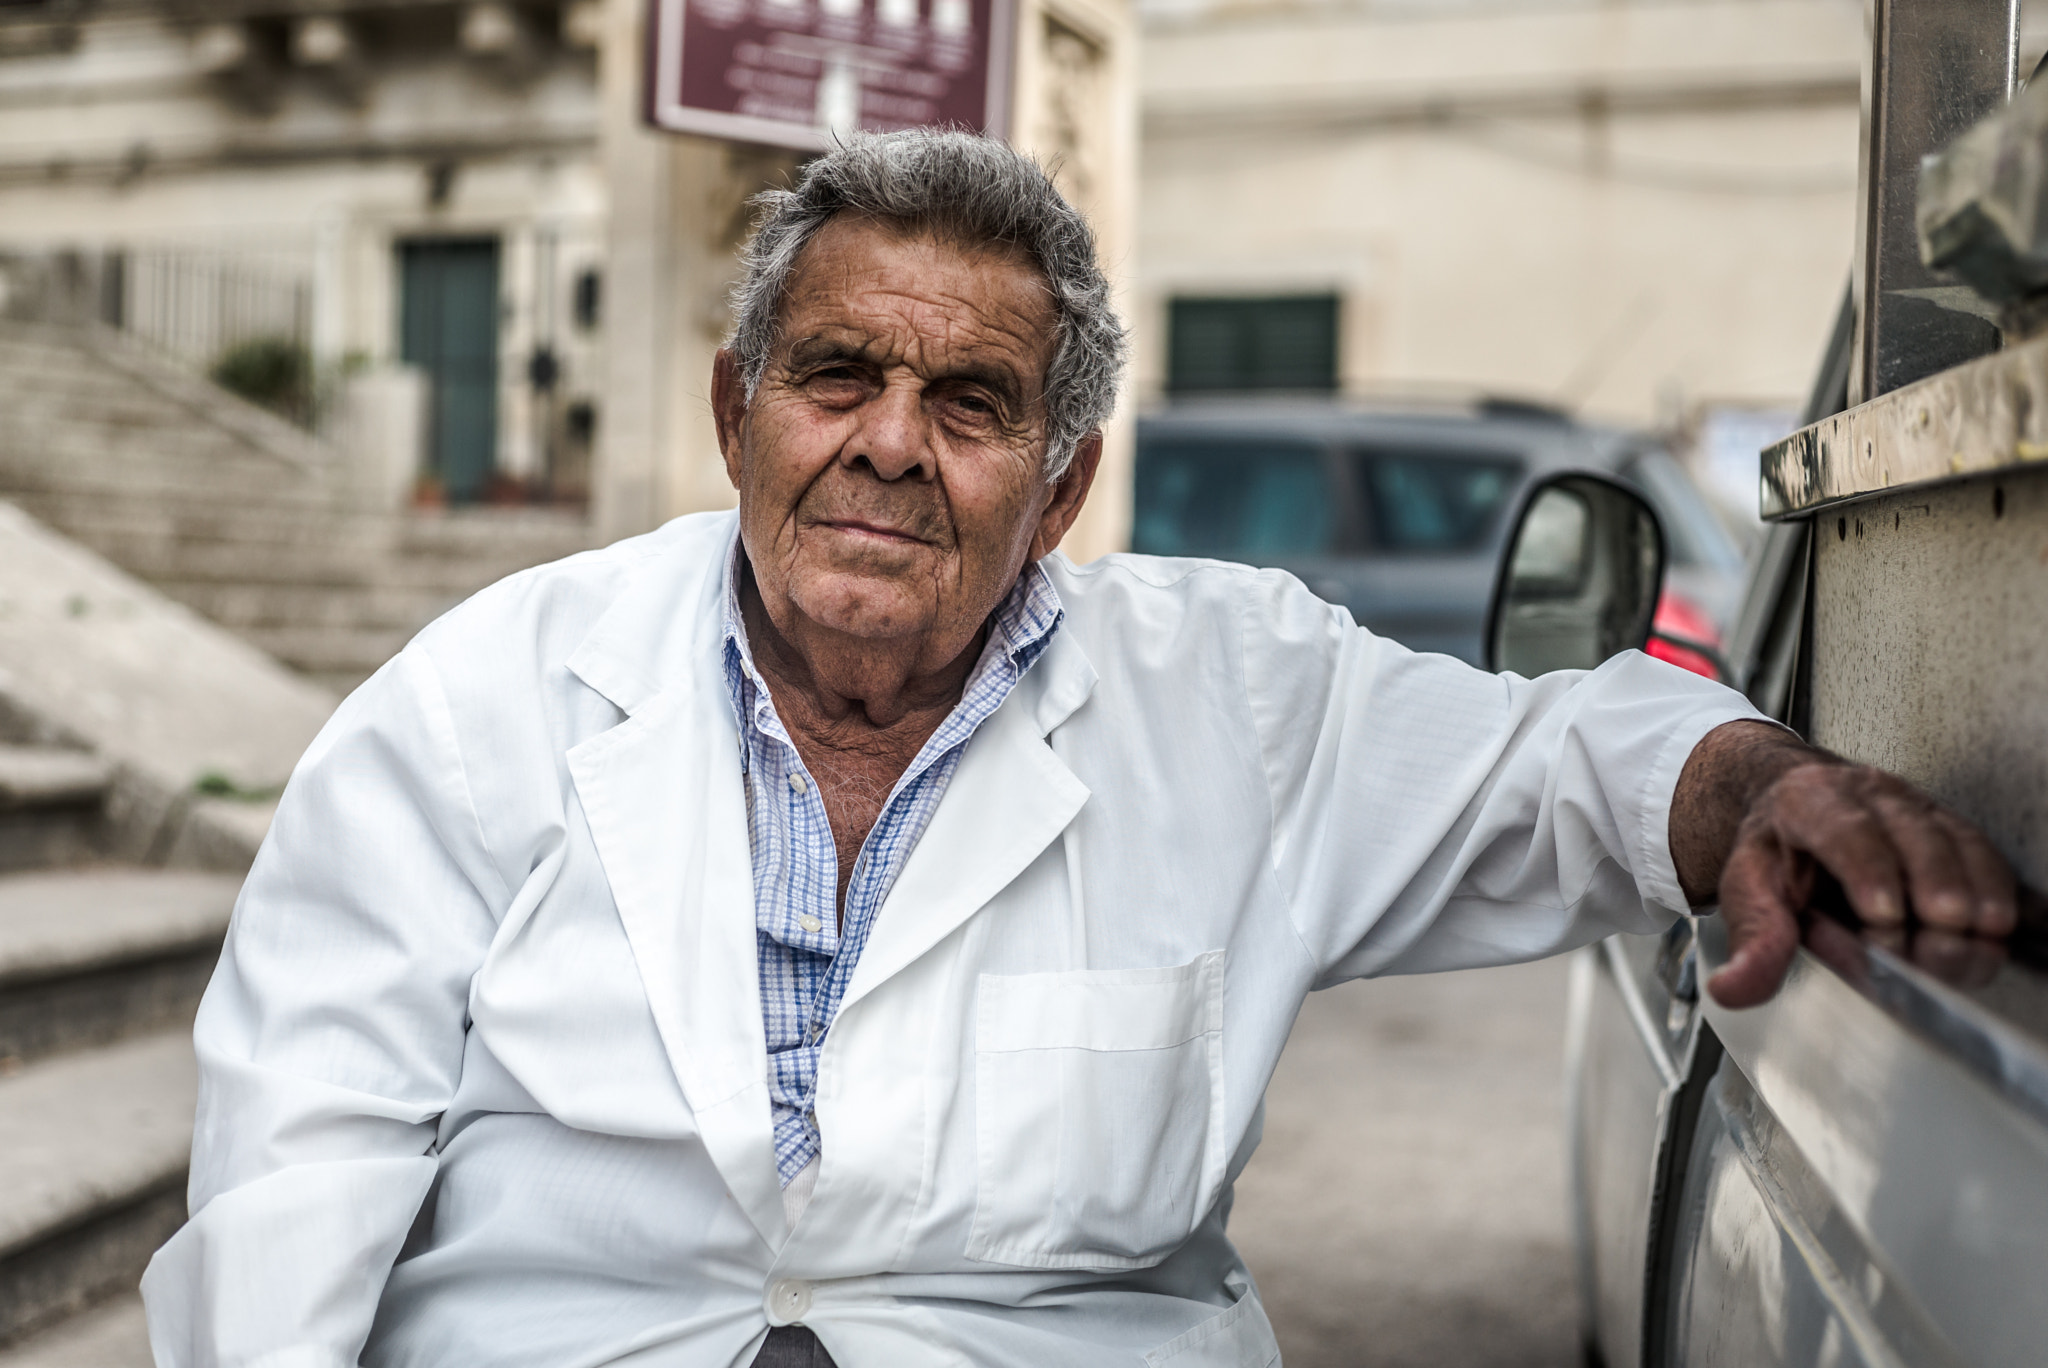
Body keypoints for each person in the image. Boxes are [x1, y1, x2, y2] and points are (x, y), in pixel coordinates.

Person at [141, 130, 2015, 1368]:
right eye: (836, 376)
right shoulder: (484, 697)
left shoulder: (1230, 689)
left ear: (1059, 491)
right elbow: (302, 1168)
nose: (888, 444)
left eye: (969, 405)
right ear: (738, 415)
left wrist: (1760, 787)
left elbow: (1563, 762)